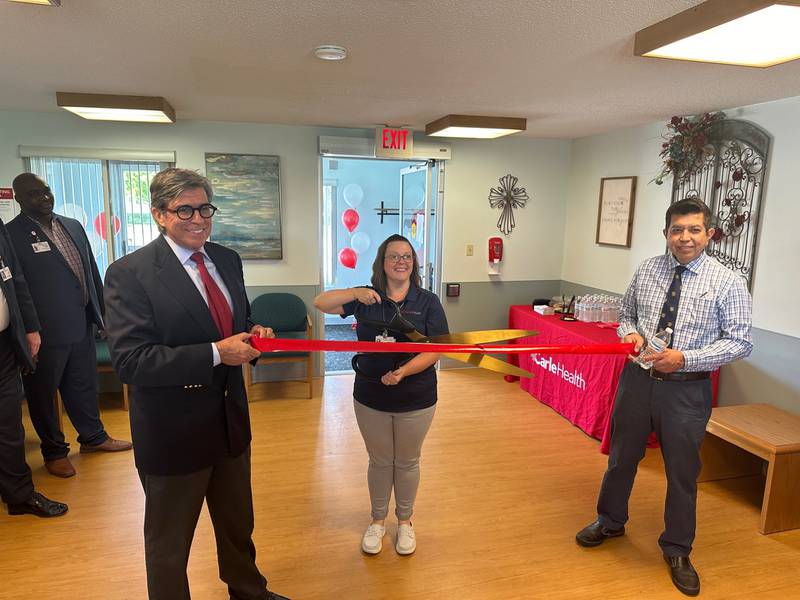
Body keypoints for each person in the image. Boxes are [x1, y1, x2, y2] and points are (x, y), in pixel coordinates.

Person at [103, 168, 288, 600]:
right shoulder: (130, 273)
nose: (198, 218)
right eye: (183, 209)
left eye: (204, 207)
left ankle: (248, 590)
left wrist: (251, 332)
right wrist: (215, 352)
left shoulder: (226, 259)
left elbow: (228, 323)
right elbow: (131, 361)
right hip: (173, 431)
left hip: (229, 421)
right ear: (159, 215)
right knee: (169, 544)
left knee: (237, 523)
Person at [575, 198, 753, 596]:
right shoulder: (648, 269)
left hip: (687, 392)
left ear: (709, 234)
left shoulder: (727, 282)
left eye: (693, 229)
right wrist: (631, 334)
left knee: (682, 473)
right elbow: (627, 314)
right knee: (621, 458)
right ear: (666, 233)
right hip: (637, 382)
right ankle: (610, 520)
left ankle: (677, 548)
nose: (684, 237)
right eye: (677, 230)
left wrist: (686, 358)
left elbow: (741, 342)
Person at [314, 234, 448, 556]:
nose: (401, 262)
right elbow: (321, 303)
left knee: (407, 461)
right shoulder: (366, 297)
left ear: (413, 263)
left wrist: (403, 372)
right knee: (379, 461)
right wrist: (354, 292)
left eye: (407, 257)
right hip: (370, 396)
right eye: (394, 256)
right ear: (383, 262)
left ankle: (404, 522)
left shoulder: (427, 301)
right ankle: (377, 521)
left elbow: (438, 349)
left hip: (416, 396)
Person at [7, 173, 131, 478]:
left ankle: (93, 437)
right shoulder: (11, 235)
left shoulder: (72, 225)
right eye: (34, 194)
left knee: (83, 385)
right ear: (19, 199)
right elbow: (16, 288)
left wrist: (103, 313)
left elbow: (91, 270)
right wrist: (28, 329)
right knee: (44, 394)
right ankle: (54, 451)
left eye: (46, 191)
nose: (44, 197)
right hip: (44, 332)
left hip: (82, 322)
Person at [0, 217, 68, 518]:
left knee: (9, 426)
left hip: (4, 343)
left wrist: (30, 326)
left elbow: (15, 278)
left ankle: (19, 496)